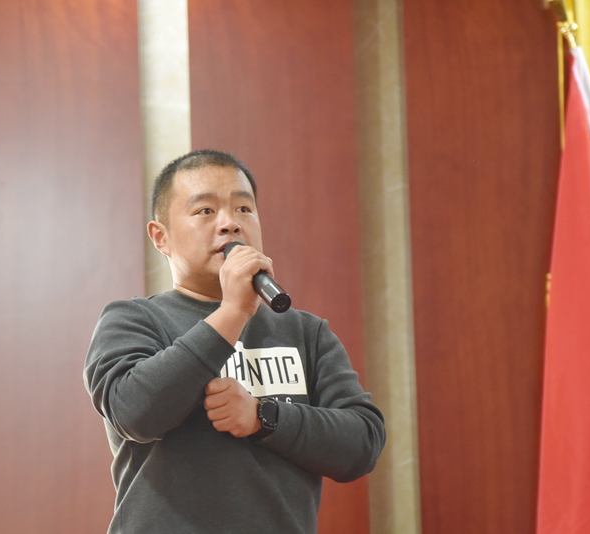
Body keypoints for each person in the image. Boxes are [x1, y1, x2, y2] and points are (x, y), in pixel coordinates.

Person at [84, 149, 386, 533]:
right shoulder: (133, 320)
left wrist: (264, 417)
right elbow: (135, 414)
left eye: (244, 208)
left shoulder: (306, 332)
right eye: (205, 211)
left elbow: (362, 443)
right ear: (161, 237)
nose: (230, 223)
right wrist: (233, 312)